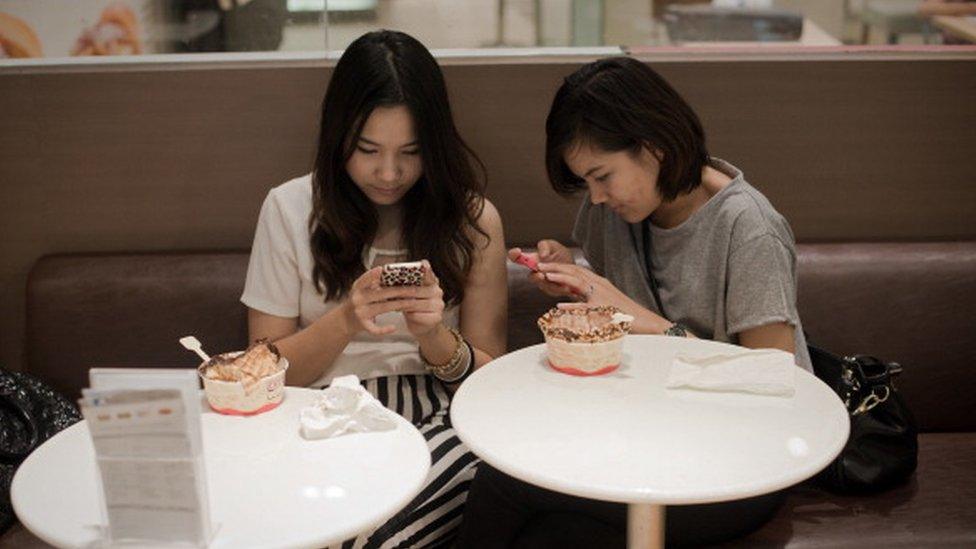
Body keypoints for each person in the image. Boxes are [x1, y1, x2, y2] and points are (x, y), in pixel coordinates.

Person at [456, 56, 809, 547]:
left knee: (506, 488)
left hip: (740, 463)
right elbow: (614, 302)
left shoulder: (748, 229)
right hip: (643, 435)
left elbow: (773, 380)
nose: (596, 197)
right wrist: (577, 279)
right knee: (555, 531)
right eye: (586, 182)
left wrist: (637, 318)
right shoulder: (614, 210)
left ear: (655, 146)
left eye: (603, 176)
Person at [241, 30, 507, 548]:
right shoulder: (289, 208)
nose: (390, 173)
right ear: (338, 137)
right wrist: (345, 320)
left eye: (412, 152)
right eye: (368, 150)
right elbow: (259, 374)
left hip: (440, 414)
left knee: (370, 535)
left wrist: (432, 336)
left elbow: (492, 383)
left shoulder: (474, 221)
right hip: (317, 414)